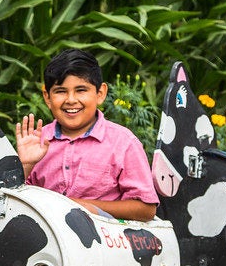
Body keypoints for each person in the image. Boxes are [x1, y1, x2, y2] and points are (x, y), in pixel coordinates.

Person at [15, 49, 158, 221]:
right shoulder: (36, 142)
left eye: (81, 90)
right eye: (60, 91)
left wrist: (82, 206)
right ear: (47, 97)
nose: (71, 100)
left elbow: (145, 209)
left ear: (100, 93)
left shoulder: (123, 143)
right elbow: (11, 202)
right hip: (47, 242)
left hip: (105, 242)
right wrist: (26, 165)